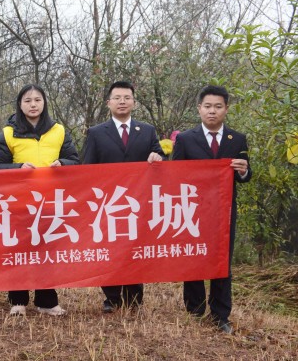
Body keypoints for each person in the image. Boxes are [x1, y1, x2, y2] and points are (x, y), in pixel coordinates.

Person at [0, 84, 79, 317]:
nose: (33, 105)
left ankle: (47, 301)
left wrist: (63, 164)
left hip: (51, 202)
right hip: (18, 202)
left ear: (44, 103)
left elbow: (75, 160)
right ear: (20, 105)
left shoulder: (58, 130)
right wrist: (18, 167)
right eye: (27, 101)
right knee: (19, 250)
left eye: (37, 100)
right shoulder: (8, 133)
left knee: (47, 252)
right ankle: (18, 300)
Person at [172, 85, 251, 334]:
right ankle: (194, 310)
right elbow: (175, 176)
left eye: (218, 106)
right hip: (193, 211)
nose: (212, 111)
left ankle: (220, 314)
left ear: (226, 109)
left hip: (224, 212)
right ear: (199, 109)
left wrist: (244, 171)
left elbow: (245, 176)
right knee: (194, 256)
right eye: (207, 106)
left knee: (221, 260)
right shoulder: (185, 139)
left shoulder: (237, 139)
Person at [81, 80, 164, 313]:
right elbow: (87, 168)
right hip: (108, 203)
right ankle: (112, 298)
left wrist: (157, 157)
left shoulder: (147, 131)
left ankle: (134, 299)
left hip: (138, 203)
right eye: (117, 98)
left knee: (135, 249)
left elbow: (159, 157)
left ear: (134, 103)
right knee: (110, 250)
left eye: (127, 98)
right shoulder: (96, 133)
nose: (122, 102)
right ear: (108, 103)